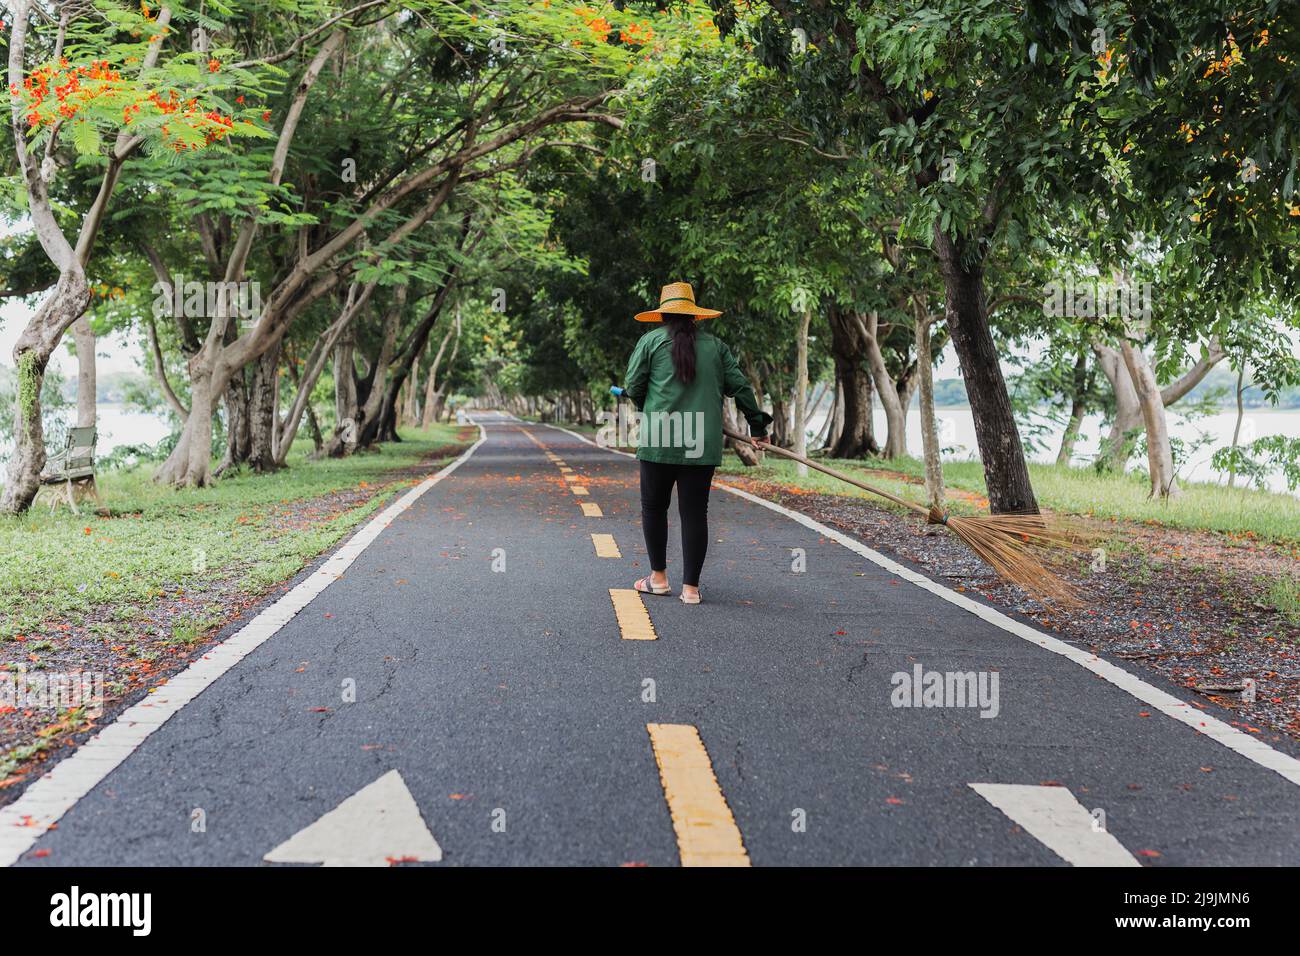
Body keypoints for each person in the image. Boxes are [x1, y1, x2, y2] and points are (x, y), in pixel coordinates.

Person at [624, 282, 772, 605]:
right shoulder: (716, 347)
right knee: (694, 512)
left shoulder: (649, 342)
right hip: (701, 444)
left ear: (662, 314)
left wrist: (645, 408)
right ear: (695, 316)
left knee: (653, 508)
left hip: (659, 439)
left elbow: (633, 385)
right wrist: (758, 426)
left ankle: (658, 580)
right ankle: (690, 589)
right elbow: (741, 387)